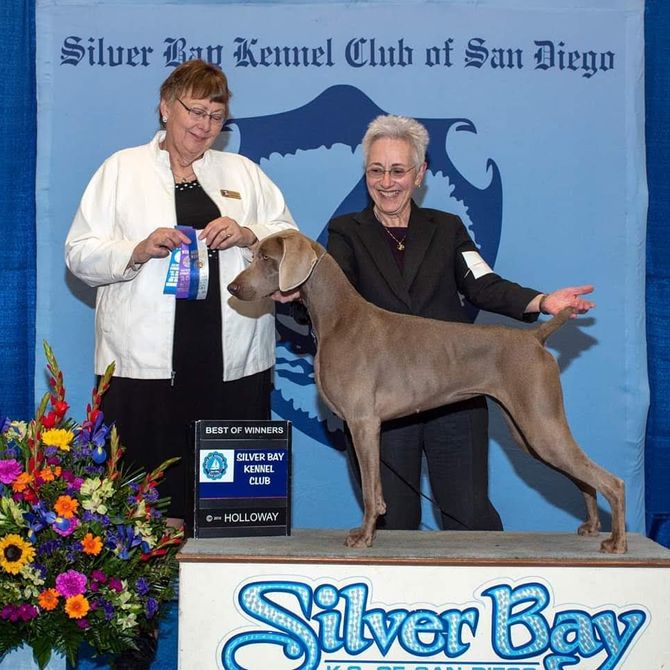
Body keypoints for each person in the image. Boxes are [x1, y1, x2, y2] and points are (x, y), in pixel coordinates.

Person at [65, 59, 296, 668]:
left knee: (235, 519)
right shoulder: (119, 170)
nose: (206, 126)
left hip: (235, 375)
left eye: (217, 117)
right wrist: (136, 249)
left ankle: (237, 646)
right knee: (135, 525)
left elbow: (290, 245)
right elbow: (79, 254)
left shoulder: (243, 173)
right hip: (143, 379)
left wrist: (249, 234)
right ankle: (130, 650)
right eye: (196, 112)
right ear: (165, 106)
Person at [327, 114, 594, 532]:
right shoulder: (345, 232)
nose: (386, 181)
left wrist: (542, 301)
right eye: (376, 170)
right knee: (393, 526)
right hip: (385, 400)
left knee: (469, 518)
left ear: (420, 175)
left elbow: (483, 285)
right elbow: (334, 302)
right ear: (365, 174)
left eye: (398, 170)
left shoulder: (446, 228)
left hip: (454, 391)